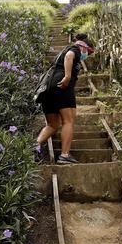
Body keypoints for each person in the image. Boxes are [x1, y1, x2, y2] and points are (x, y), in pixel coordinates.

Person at [34, 33, 95, 164]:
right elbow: (69, 56)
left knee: (53, 124)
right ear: (84, 47)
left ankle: (34, 147)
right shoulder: (75, 49)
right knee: (69, 120)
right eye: (88, 53)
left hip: (48, 89)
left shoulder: (59, 55)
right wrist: (67, 77)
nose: (86, 56)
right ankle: (64, 155)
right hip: (61, 87)